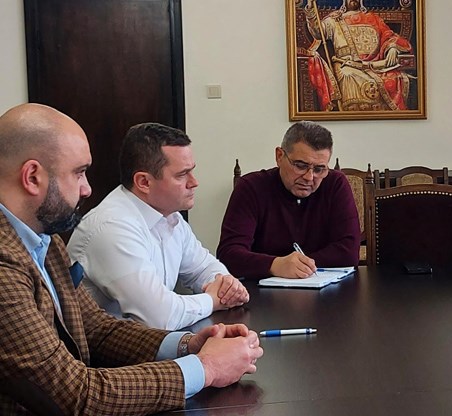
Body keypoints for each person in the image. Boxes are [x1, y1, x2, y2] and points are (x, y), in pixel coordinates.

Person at [0, 103, 263, 414]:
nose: (87, 189)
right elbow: (74, 394)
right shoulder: (5, 262)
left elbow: (95, 329)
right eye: (79, 173)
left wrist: (189, 345)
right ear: (32, 177)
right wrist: (206, 368)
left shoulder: (45, 238)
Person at [67, 123, 249, 331]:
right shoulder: (111, 227)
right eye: (182, 175)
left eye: (192, 171)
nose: (194, 182)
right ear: (144, 182)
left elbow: (204, 268)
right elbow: (160, 318)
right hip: (105, 349)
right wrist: (213, 299)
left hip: (147, 342)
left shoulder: (169, 216)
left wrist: (226, 285)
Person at [218, 121, 360, 279]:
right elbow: (229, 254)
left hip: (326, 287)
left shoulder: (335, 184)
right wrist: (275, 265)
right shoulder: (251, 187)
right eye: (300, 166)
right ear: (279, 156)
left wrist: (298, 266)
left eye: (319, 169)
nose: (309, 177)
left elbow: (349, 252)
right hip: (263, 288)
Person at [304, 0, 414, 111]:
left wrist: (393, 47)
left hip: (374, 65)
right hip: (346, 65)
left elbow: (389, 35)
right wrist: (310, 8)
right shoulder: (335, 19)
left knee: (399, 78)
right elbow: (318, 31)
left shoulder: (373, 18)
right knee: (348, 75)